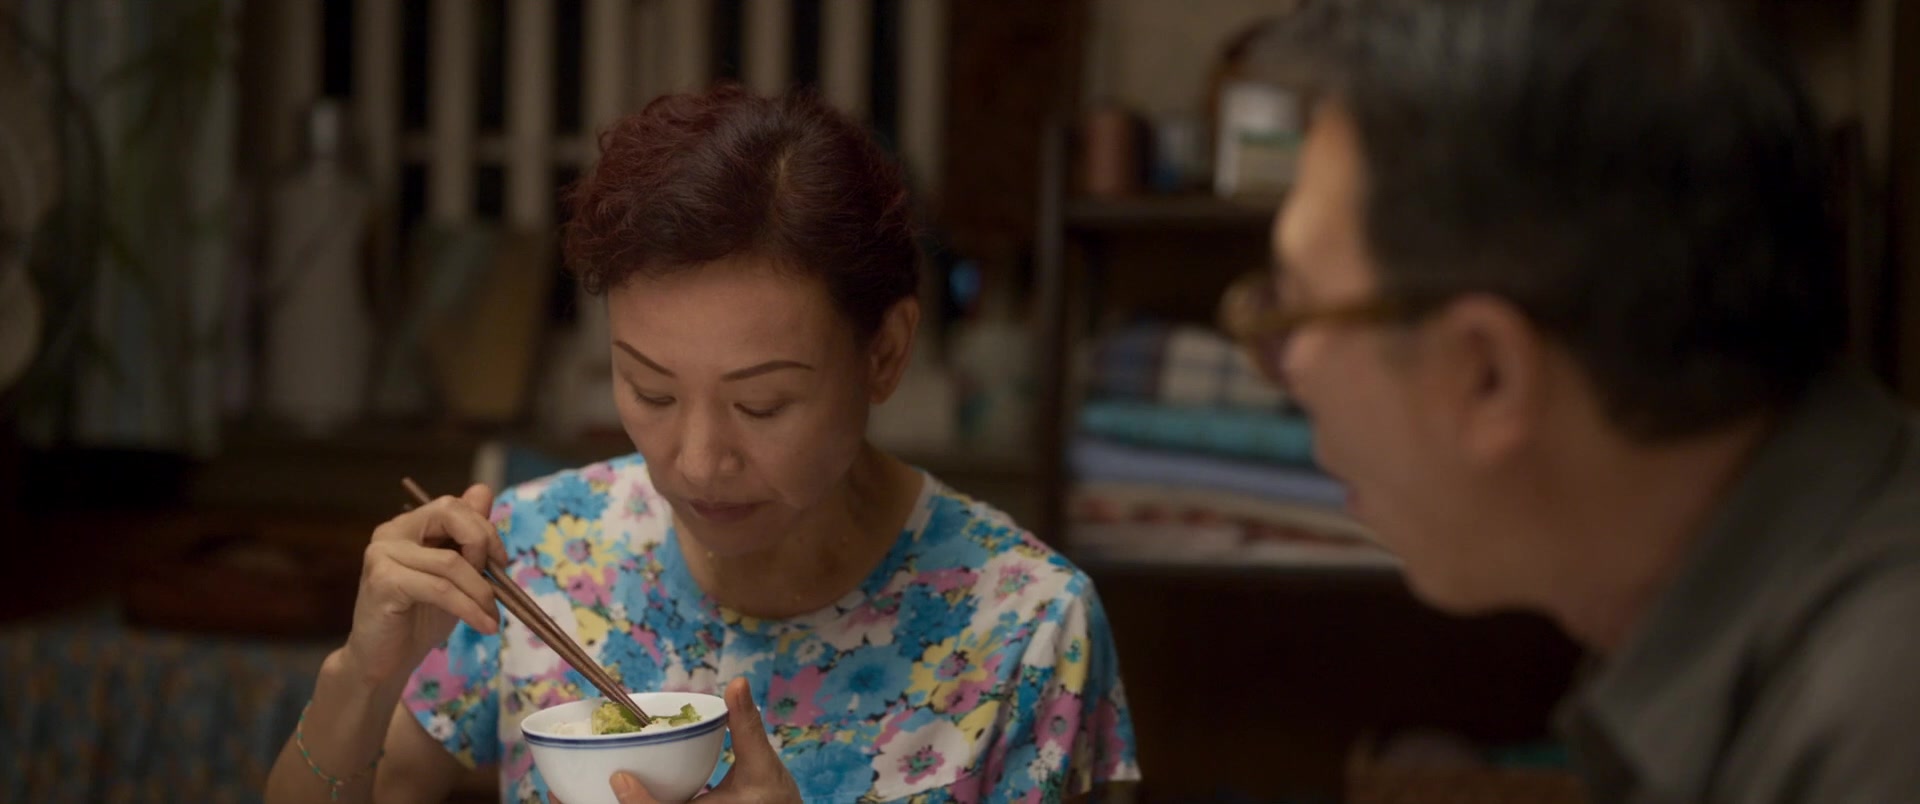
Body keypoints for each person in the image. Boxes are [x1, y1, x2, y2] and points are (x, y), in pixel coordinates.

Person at [265, 85, 1140, 803]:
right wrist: (362, 675)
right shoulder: (536, 557)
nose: (694, 461)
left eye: (761, 404)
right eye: (650, 390)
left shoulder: (1027, 628)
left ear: (884, 354)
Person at [1224, 0, 1920, 801]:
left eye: (1296, 308)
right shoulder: (1769, 612)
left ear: (1488, 373)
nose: (1289, 370)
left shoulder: (1877, 725)